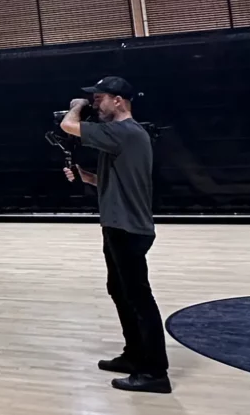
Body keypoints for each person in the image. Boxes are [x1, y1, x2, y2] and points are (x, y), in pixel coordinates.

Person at [61, 75, 170, 394]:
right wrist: (84, 176)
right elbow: (111, 183)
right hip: (118, 225)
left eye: (99, 98)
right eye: (91, 99)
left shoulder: (123, 132)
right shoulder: (122, 137)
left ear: (118, 101)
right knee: (120, 291)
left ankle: (155, 372)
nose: (95, 103)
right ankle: (134, 354)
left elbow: (69, 126)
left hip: (127, 228)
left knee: (138, 298)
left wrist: (77, 106)